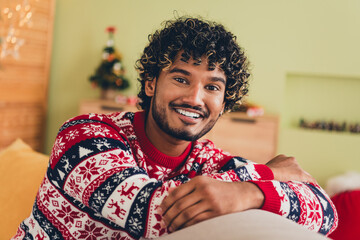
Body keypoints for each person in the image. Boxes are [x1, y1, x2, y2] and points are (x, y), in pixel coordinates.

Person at [12, 17, 337, 240]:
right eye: (181, 79)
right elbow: (155, 212)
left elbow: (325, 214)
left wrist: (249, 192)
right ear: (151, 83)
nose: (194, 98)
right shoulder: (84, 135)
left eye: (212, 87)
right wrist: (265, 174)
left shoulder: (208, 161)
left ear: (224, 103)